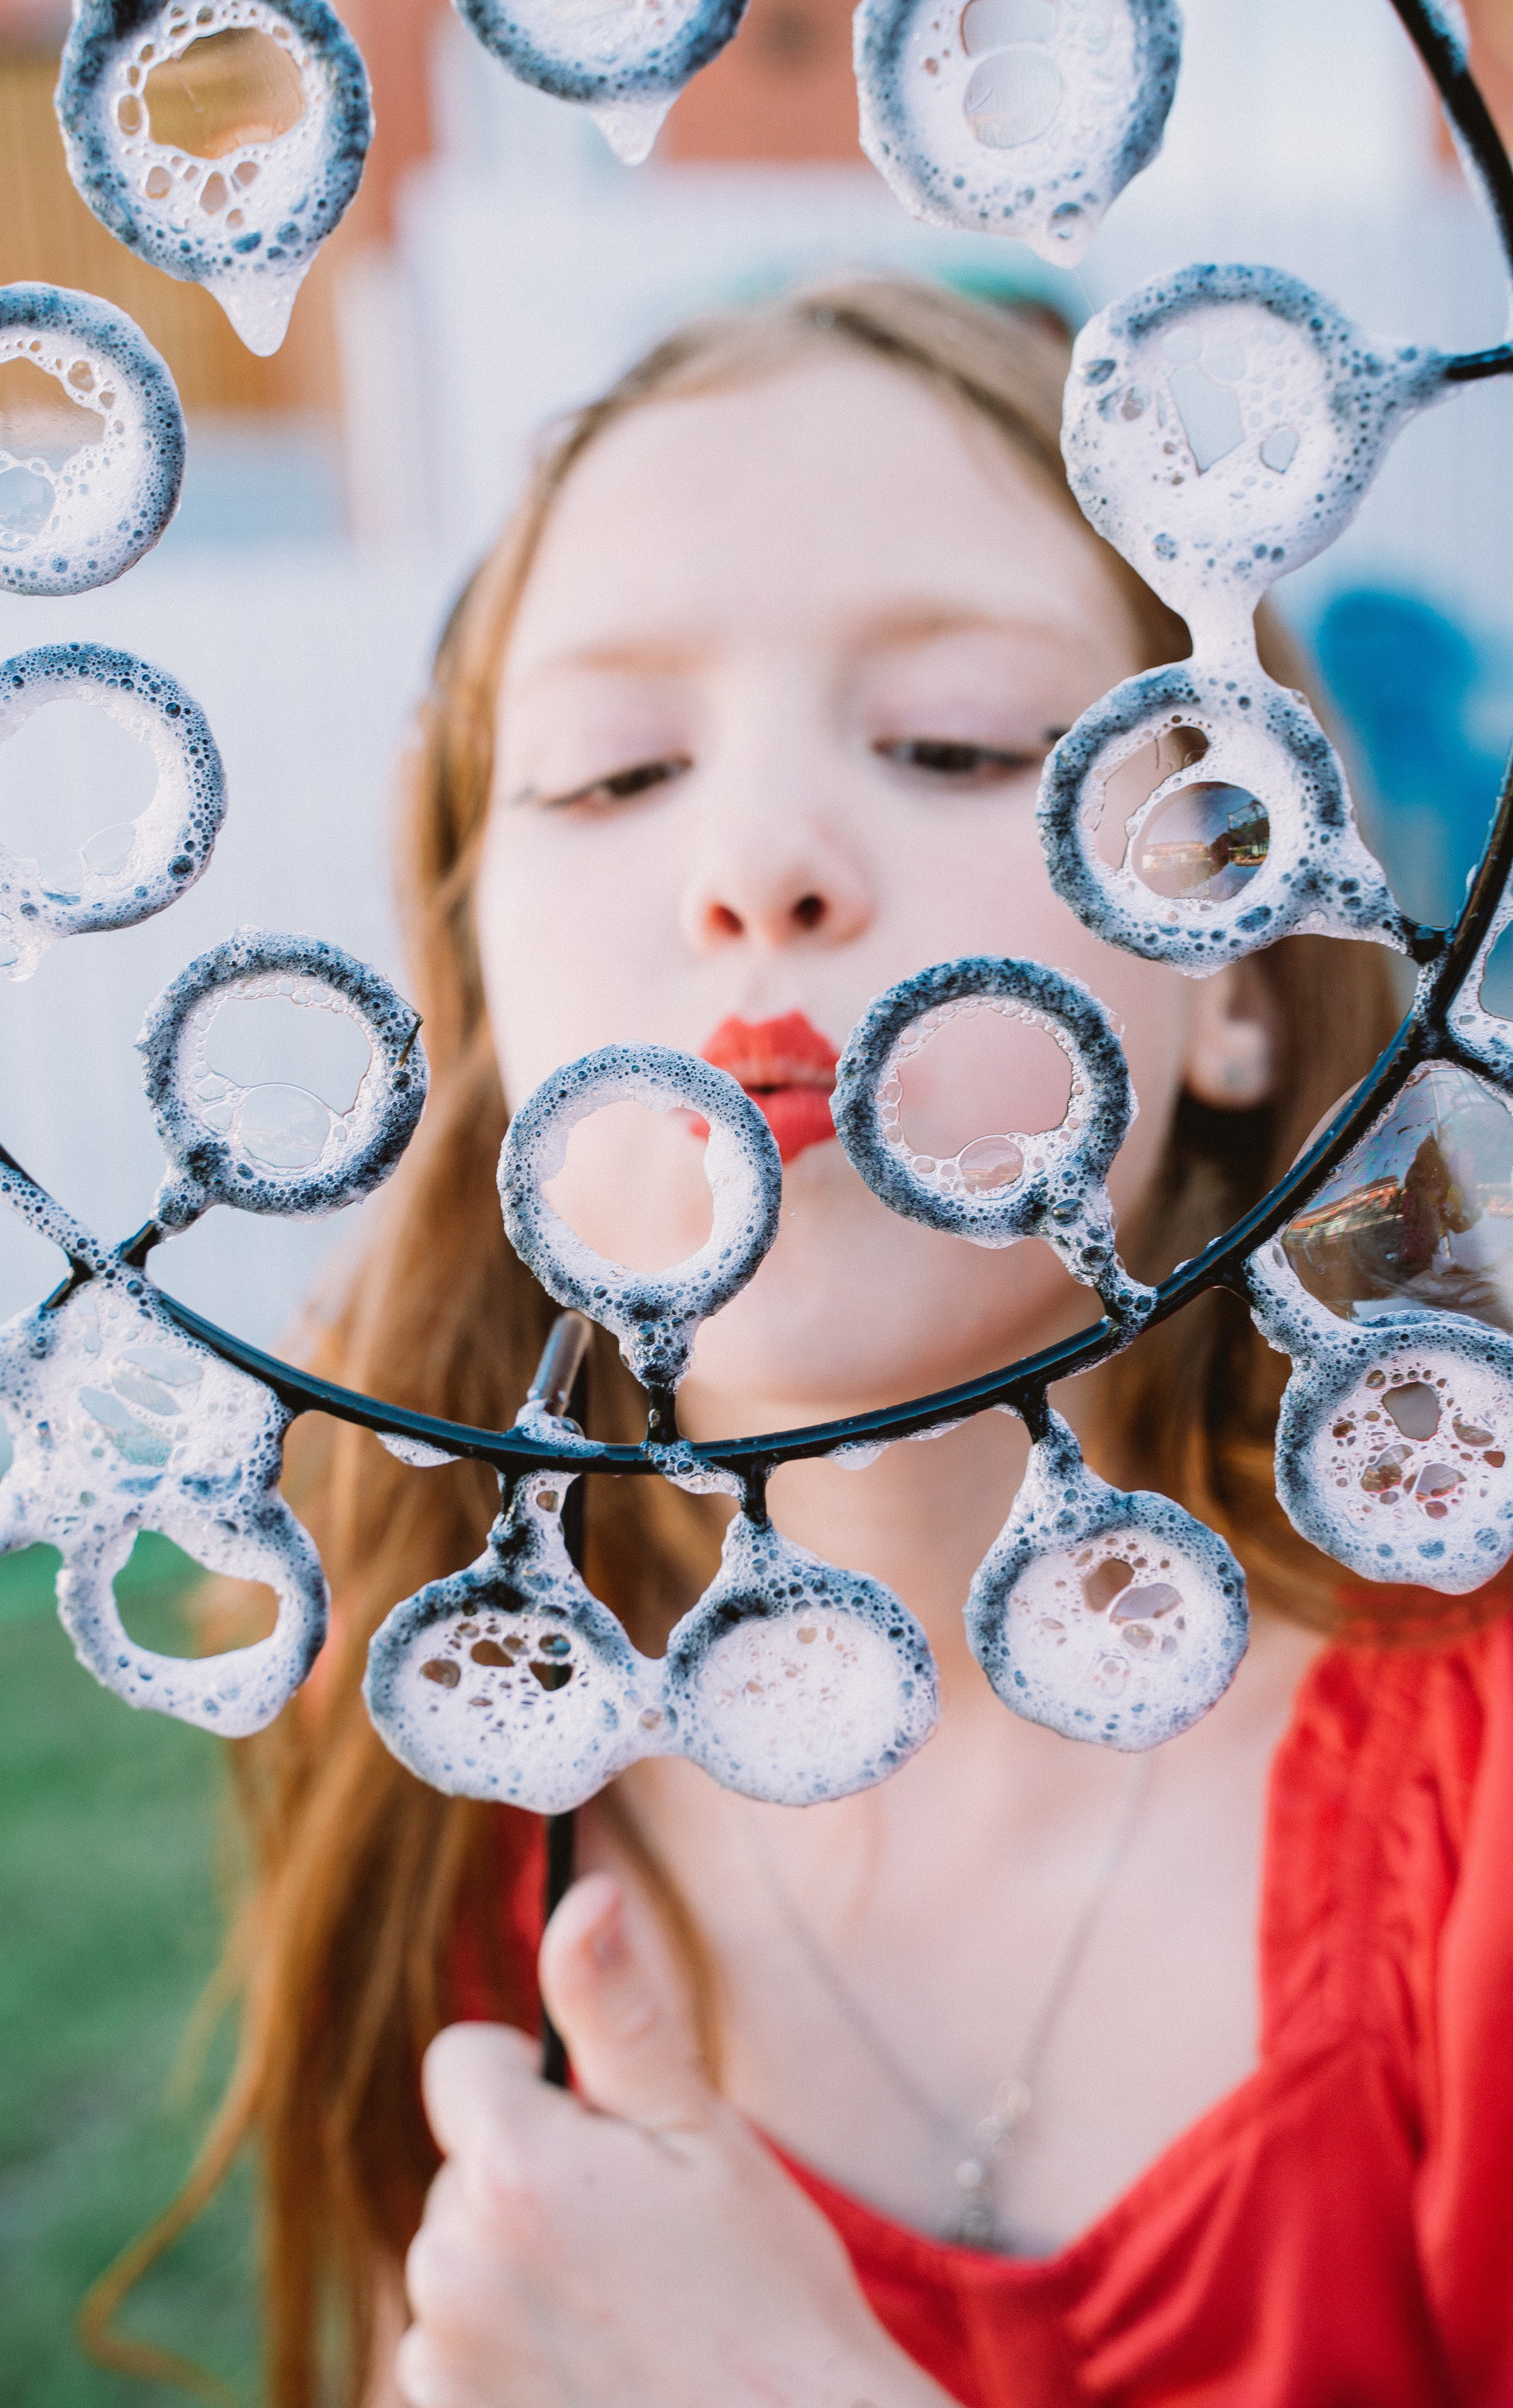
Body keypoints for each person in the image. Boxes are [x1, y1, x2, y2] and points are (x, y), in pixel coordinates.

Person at [125, 277, 1513, 2407]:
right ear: (487, 1021)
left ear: (1240, 959)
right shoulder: (448, 1751)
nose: (759, 867)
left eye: (956, 743)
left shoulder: (1481, 1797)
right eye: (612, 776)